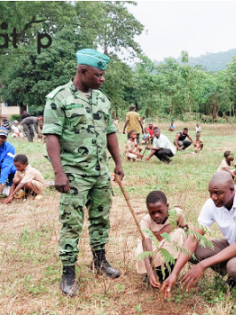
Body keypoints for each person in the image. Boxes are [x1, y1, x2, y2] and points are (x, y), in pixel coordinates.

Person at [43, 48, 124, 297]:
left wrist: (118, 163)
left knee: (101, 218)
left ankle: (99, 261)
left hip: (100, 171)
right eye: (99, 75)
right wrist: (59, 173)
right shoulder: (59, 98)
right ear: (83, 71)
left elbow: (110, 131)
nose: (102, 79)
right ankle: (68, 273)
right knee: (72, 223)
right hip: (74, 173)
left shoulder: (102, 99)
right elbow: (52, 136)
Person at [160, 172, 236, 300]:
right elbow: (193, 238)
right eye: (211, 193)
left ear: (232, 190)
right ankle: (234, 276)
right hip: (233, 244)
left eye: (218, 193)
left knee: (234, 266)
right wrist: (174, 273)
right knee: (194, 251)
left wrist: (202, 265)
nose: (213, 197)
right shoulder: (211, 204)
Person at [135, 191, 189, 287]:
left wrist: (171, 226)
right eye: (152, 212)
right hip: (154, 246)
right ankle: (155, 273)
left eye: (160, 211)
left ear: (167, 206)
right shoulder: (145, 221)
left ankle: (170, 273)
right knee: (140, 252)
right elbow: (147, 247)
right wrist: (150, 272)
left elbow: (186, 230)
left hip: (169, 245)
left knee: (179, 234)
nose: (156, 215)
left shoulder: (177, 214)